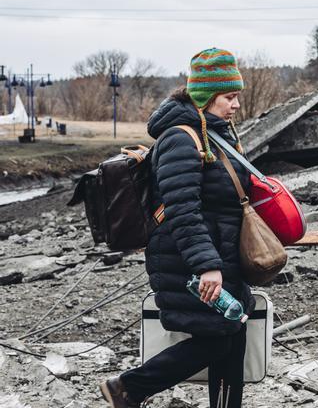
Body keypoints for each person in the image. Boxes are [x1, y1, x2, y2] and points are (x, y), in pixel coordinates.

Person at [100, 48, 255, 408]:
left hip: (221, 253)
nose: (235, 105)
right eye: (229, 97)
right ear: (206, 96)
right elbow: (182, 209)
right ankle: (128, 387)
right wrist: (207, 265)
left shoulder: (215, 134)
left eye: (237, 97)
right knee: (217, 338)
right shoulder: (181, 139)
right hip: (190, 259)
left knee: (234, 331)